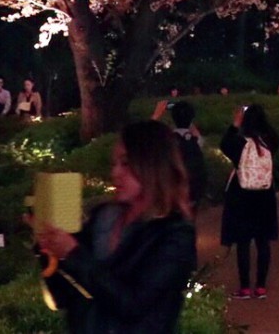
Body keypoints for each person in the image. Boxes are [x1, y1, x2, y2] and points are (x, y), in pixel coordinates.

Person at [37, 119, 198, 334]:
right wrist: (47, 250)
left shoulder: (174, 235)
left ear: (152, 165)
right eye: (114, 164)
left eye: (126, 164)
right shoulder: (102, 218)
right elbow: (60, 299)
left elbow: (133, 305)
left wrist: (73, 253)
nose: (115, 173)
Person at [221, 101, 279, 300]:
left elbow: (224, 144)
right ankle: (261, 287)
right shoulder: (270, 140)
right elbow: (276, 141)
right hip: (265, 195)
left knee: (243, 242)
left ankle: (245, 287)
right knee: (263, 242)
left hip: (242, 195)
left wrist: (235, 124)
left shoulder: (238, 143)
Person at [162, 99, 208, 214]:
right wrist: (187, 118)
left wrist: (157, 114)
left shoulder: (167, 141)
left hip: (171, 193)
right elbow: (197, 135)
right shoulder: (196, 141)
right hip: (192, 194)